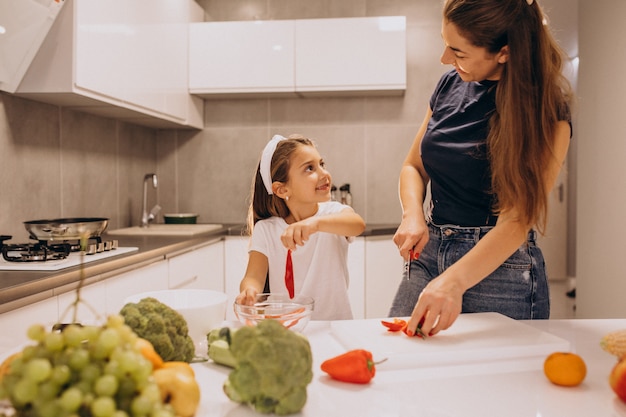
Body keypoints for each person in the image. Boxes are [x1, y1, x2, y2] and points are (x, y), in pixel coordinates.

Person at [389, 0, 573, 337]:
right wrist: (412, 213)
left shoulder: (547, 112)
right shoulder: (448, 85)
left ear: (503, 52)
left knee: (495, 385)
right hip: (428, 255)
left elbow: (517, 220)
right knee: (398, 362)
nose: (445, 58)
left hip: (501, 272)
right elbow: (413, 166)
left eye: (458, 52)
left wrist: (453, 282)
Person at [236, 134, 366, 320]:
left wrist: (315, 224)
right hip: (288, 327)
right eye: (310, 168)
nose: (323, 174)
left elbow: (357, 225)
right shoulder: (267, 229)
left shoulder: (333, 213)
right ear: (282, 190)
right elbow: (254, 276)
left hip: (335, 325)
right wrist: (249, 291)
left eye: (322, 164)